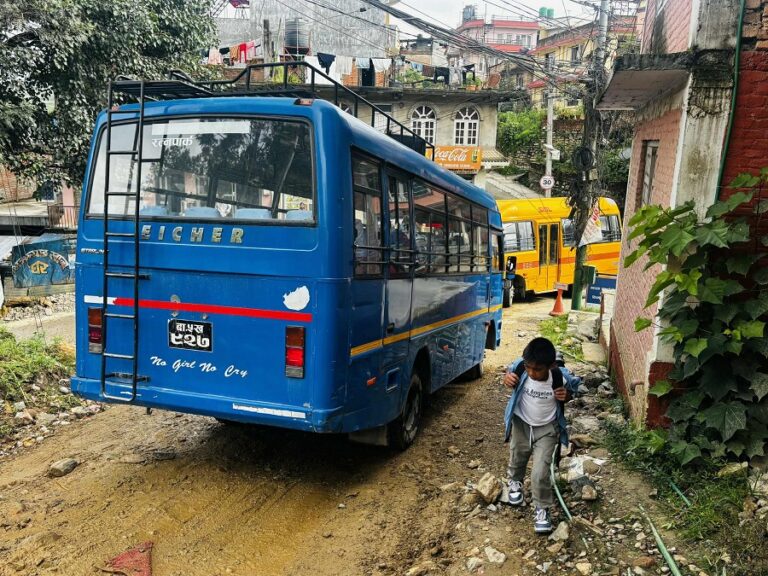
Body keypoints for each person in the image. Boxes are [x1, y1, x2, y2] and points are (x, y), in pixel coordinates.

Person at [502, 337, 581, 534]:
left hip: (547, 429)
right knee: (517, 456)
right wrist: (507, 378)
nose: (531, 373)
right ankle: (515, 483)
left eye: (537, 369)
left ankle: (542, 508)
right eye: (528, 367)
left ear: (551, 365)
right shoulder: (520, 367)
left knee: (540, 472)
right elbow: (509, 373)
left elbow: (575, 386)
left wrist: (567, 396)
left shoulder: (559, 376)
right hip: (521, 423)